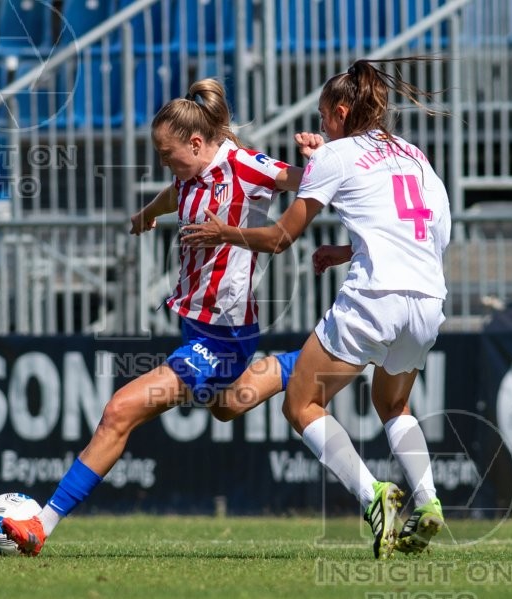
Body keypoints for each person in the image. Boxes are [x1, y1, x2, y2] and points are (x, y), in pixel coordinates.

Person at [1, 78, 306, 557]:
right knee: (226, 405)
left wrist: (325, 158)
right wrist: (149, 214)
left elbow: (306, 181)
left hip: (225, 334)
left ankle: (42, 522)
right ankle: (297, 364)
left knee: (120, 410)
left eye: (168, 154)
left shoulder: (245, 166)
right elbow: (175, 189)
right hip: (196, 325)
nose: (166, 163)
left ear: (197, 142)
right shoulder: (189, 173)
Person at [181, 58, 450, 559]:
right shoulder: (416, 157)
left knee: (301, 404)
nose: (321, 126)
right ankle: (430, 503)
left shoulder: (335, 155)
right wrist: (348, 250)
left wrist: (223, 232)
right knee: (393, 405)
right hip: (429, 299)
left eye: (324, 116)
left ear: (342, 111)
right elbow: (425, 233)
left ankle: (374, 497)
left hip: (376, 298)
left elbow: (281, 238)